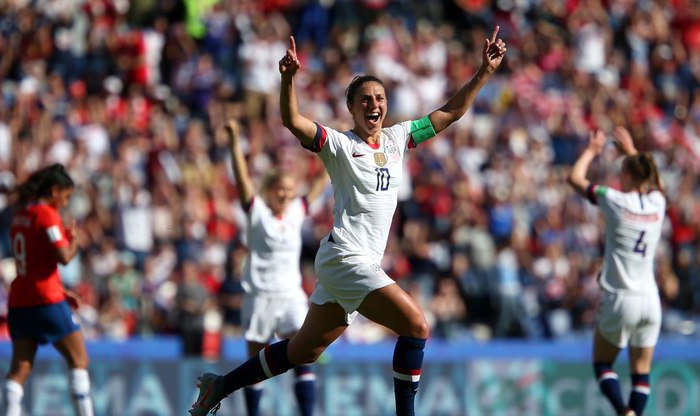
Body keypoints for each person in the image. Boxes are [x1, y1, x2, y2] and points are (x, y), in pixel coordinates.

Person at [190, 27, 506, 416]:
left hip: (356, 264)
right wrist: (288, 80)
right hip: (346, 259)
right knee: (417, 326)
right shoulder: (340, 146)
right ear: (352, 109)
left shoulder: (397, 139)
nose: (374, 105)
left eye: (380, 98)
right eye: (365, 100)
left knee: (303, 351)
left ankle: (219, 385)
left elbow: (451, 113)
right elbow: (293, 121)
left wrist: (484, 72)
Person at [226, 119, 328, 416]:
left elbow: (321, 182)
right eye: (279, 189)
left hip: (290, 295)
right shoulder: (257, 212)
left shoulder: (296, 212)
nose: (285, 194)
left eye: (289, 190)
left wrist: (332, 149)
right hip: (259, 296)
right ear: (269, 190)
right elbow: (242, 179)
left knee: (303, 354)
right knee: (254, 365)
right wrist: (234, 142)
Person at [567, 127, 666, 416]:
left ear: (628, 176)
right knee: (641, 372)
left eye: (624, 172)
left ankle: (624, 411)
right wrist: (633, 150)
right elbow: (655, 181)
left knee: (603, 363)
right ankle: (635, 413)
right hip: (650, 299)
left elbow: (574, 179)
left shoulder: (615, 200)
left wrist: (592, 151)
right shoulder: (658, 203)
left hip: (620, 297)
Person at [4, 163, 94, 416]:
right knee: (79, 360)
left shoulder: (21, 215)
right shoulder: (46, 214)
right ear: (54, 191)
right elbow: (64, 256)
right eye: (65, 197)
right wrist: (74, 241)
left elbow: (32, 263)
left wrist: (61, 289)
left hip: (20, 300)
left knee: (20, 369)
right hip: (45, 300)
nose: (65, 204)